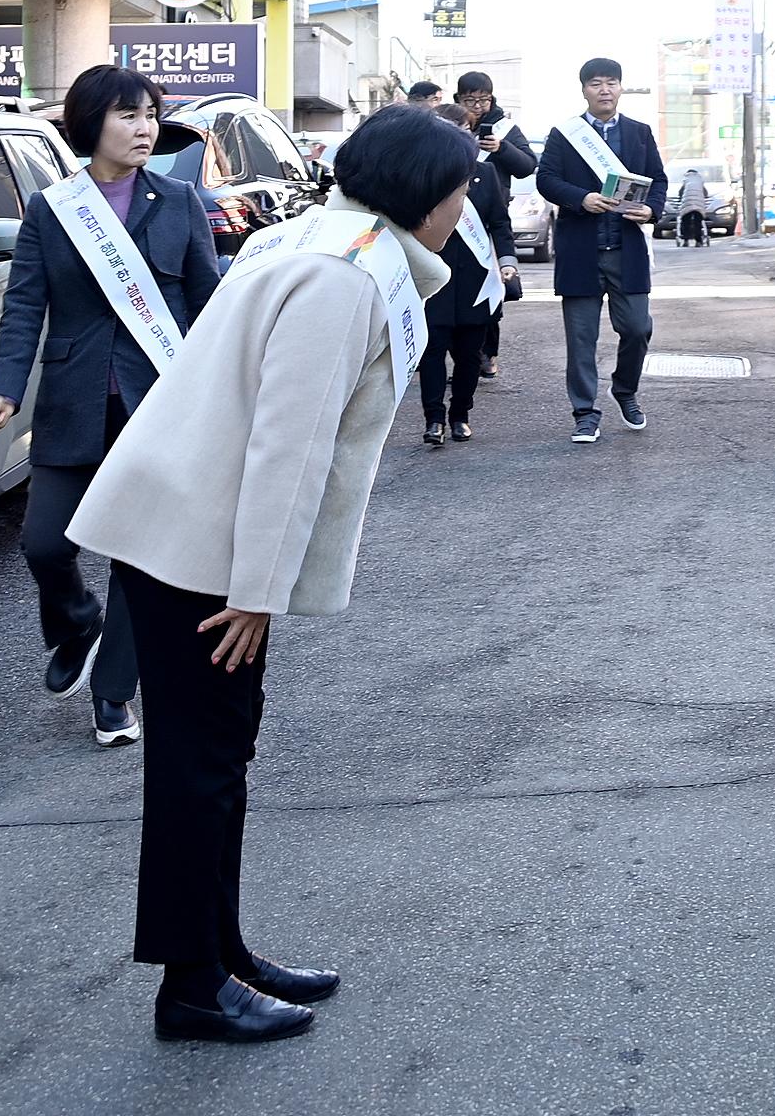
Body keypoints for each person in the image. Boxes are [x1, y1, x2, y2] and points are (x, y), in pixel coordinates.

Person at [66, 103, 470, 1044]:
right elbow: (288, 444)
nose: (464, 207)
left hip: (189, 522)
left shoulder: (321, 237)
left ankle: (221, 948)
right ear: (422, 194)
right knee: (199, 767)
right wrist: (256, 588)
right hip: (203, 542)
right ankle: (193, 984)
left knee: (218, 760)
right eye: (458, 192)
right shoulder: (345, 277)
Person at [0, 65, 221, 748]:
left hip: (160, 402)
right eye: (127, 115)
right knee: (45, 544)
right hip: (75, 401)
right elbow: (25, 306)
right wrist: (3, 384)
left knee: (138, 558)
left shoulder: (178, 201)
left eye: (149, 113)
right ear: (92, 124)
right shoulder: (54, 210)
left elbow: (207, 301)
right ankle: (76, 624)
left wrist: (223, 392)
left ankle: (114, 695)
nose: (144, 126)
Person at [538, 57, 667, 444]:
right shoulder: (566, 134)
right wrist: (582, 198)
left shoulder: (639, 133)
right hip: (581, 249)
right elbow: (546, 179)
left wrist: (651, 211)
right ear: (584, 90)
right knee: (581, 339)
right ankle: (585, 412)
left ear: (621, 88)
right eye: (596, 83)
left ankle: (624, 389)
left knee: (637, 327)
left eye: (611, 83)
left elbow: (658, 179)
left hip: (625, 247)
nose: (604, 90)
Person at [421, 104, 517, 444]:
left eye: (461, 129)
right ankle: (434, 420)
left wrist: (507, 260)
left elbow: (500, 223)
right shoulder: (423, 174)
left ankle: (460, 414)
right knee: (431, 352)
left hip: (476, 280)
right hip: (433, 278)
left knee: (468, 356)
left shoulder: (485, 174)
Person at [456, 71, 536, 377]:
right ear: (458, 99)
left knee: (488, 290)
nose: (477, 107)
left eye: (483, 100)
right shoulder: (449, 125)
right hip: (449, 217)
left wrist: (502, 148)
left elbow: (528, 166)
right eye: (470, 100)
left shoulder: (504, 127)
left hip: (488, 220)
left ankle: (488, 353)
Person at [674, 169, 712, 247]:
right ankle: (698, 241)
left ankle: (685, 240)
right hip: (699, 204)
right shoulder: (700, 180)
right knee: (698, 222)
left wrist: (680, 198)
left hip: (687, 203)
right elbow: (705, 192)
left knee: (685, 221)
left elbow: (681, 192)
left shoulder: (685, 180)